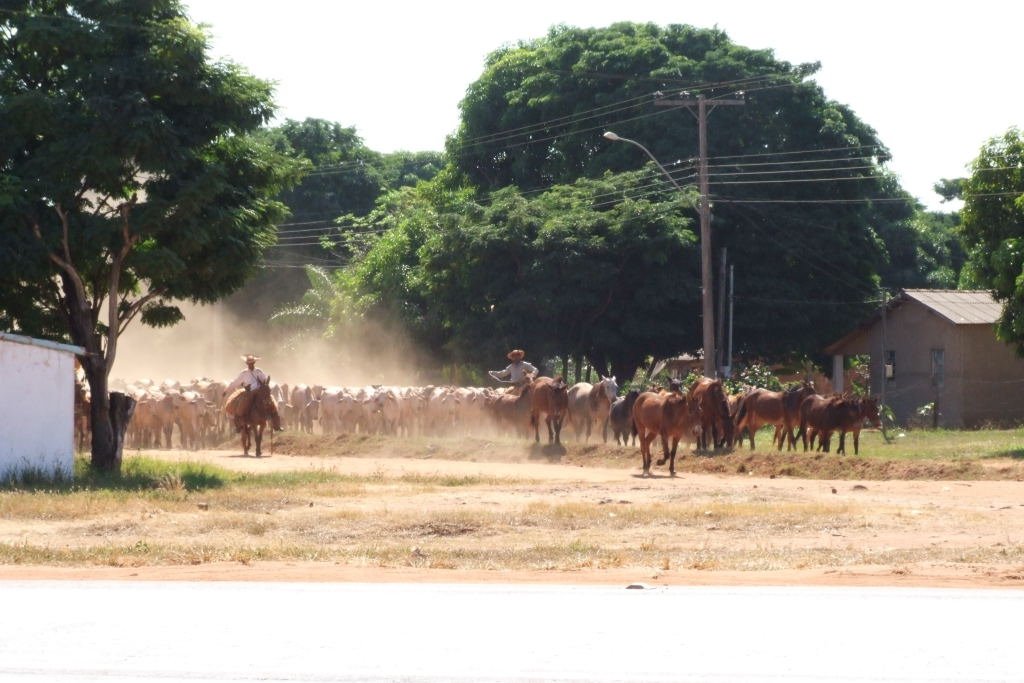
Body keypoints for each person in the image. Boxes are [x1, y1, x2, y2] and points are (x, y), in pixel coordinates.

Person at [223, 354, 283, 432]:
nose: (250, 365)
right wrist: (226, 391)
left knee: (272, 405)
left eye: (252, 363)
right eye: (249, 364)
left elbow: (265, 381)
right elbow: (235, 383)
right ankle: (238, 425)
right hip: (249, 392)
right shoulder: (244, 373)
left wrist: (265, 387)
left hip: (260, 392)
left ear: (254, 363)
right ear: (247, 364)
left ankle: (277, 425)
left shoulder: (259, 371)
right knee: (241, 407)